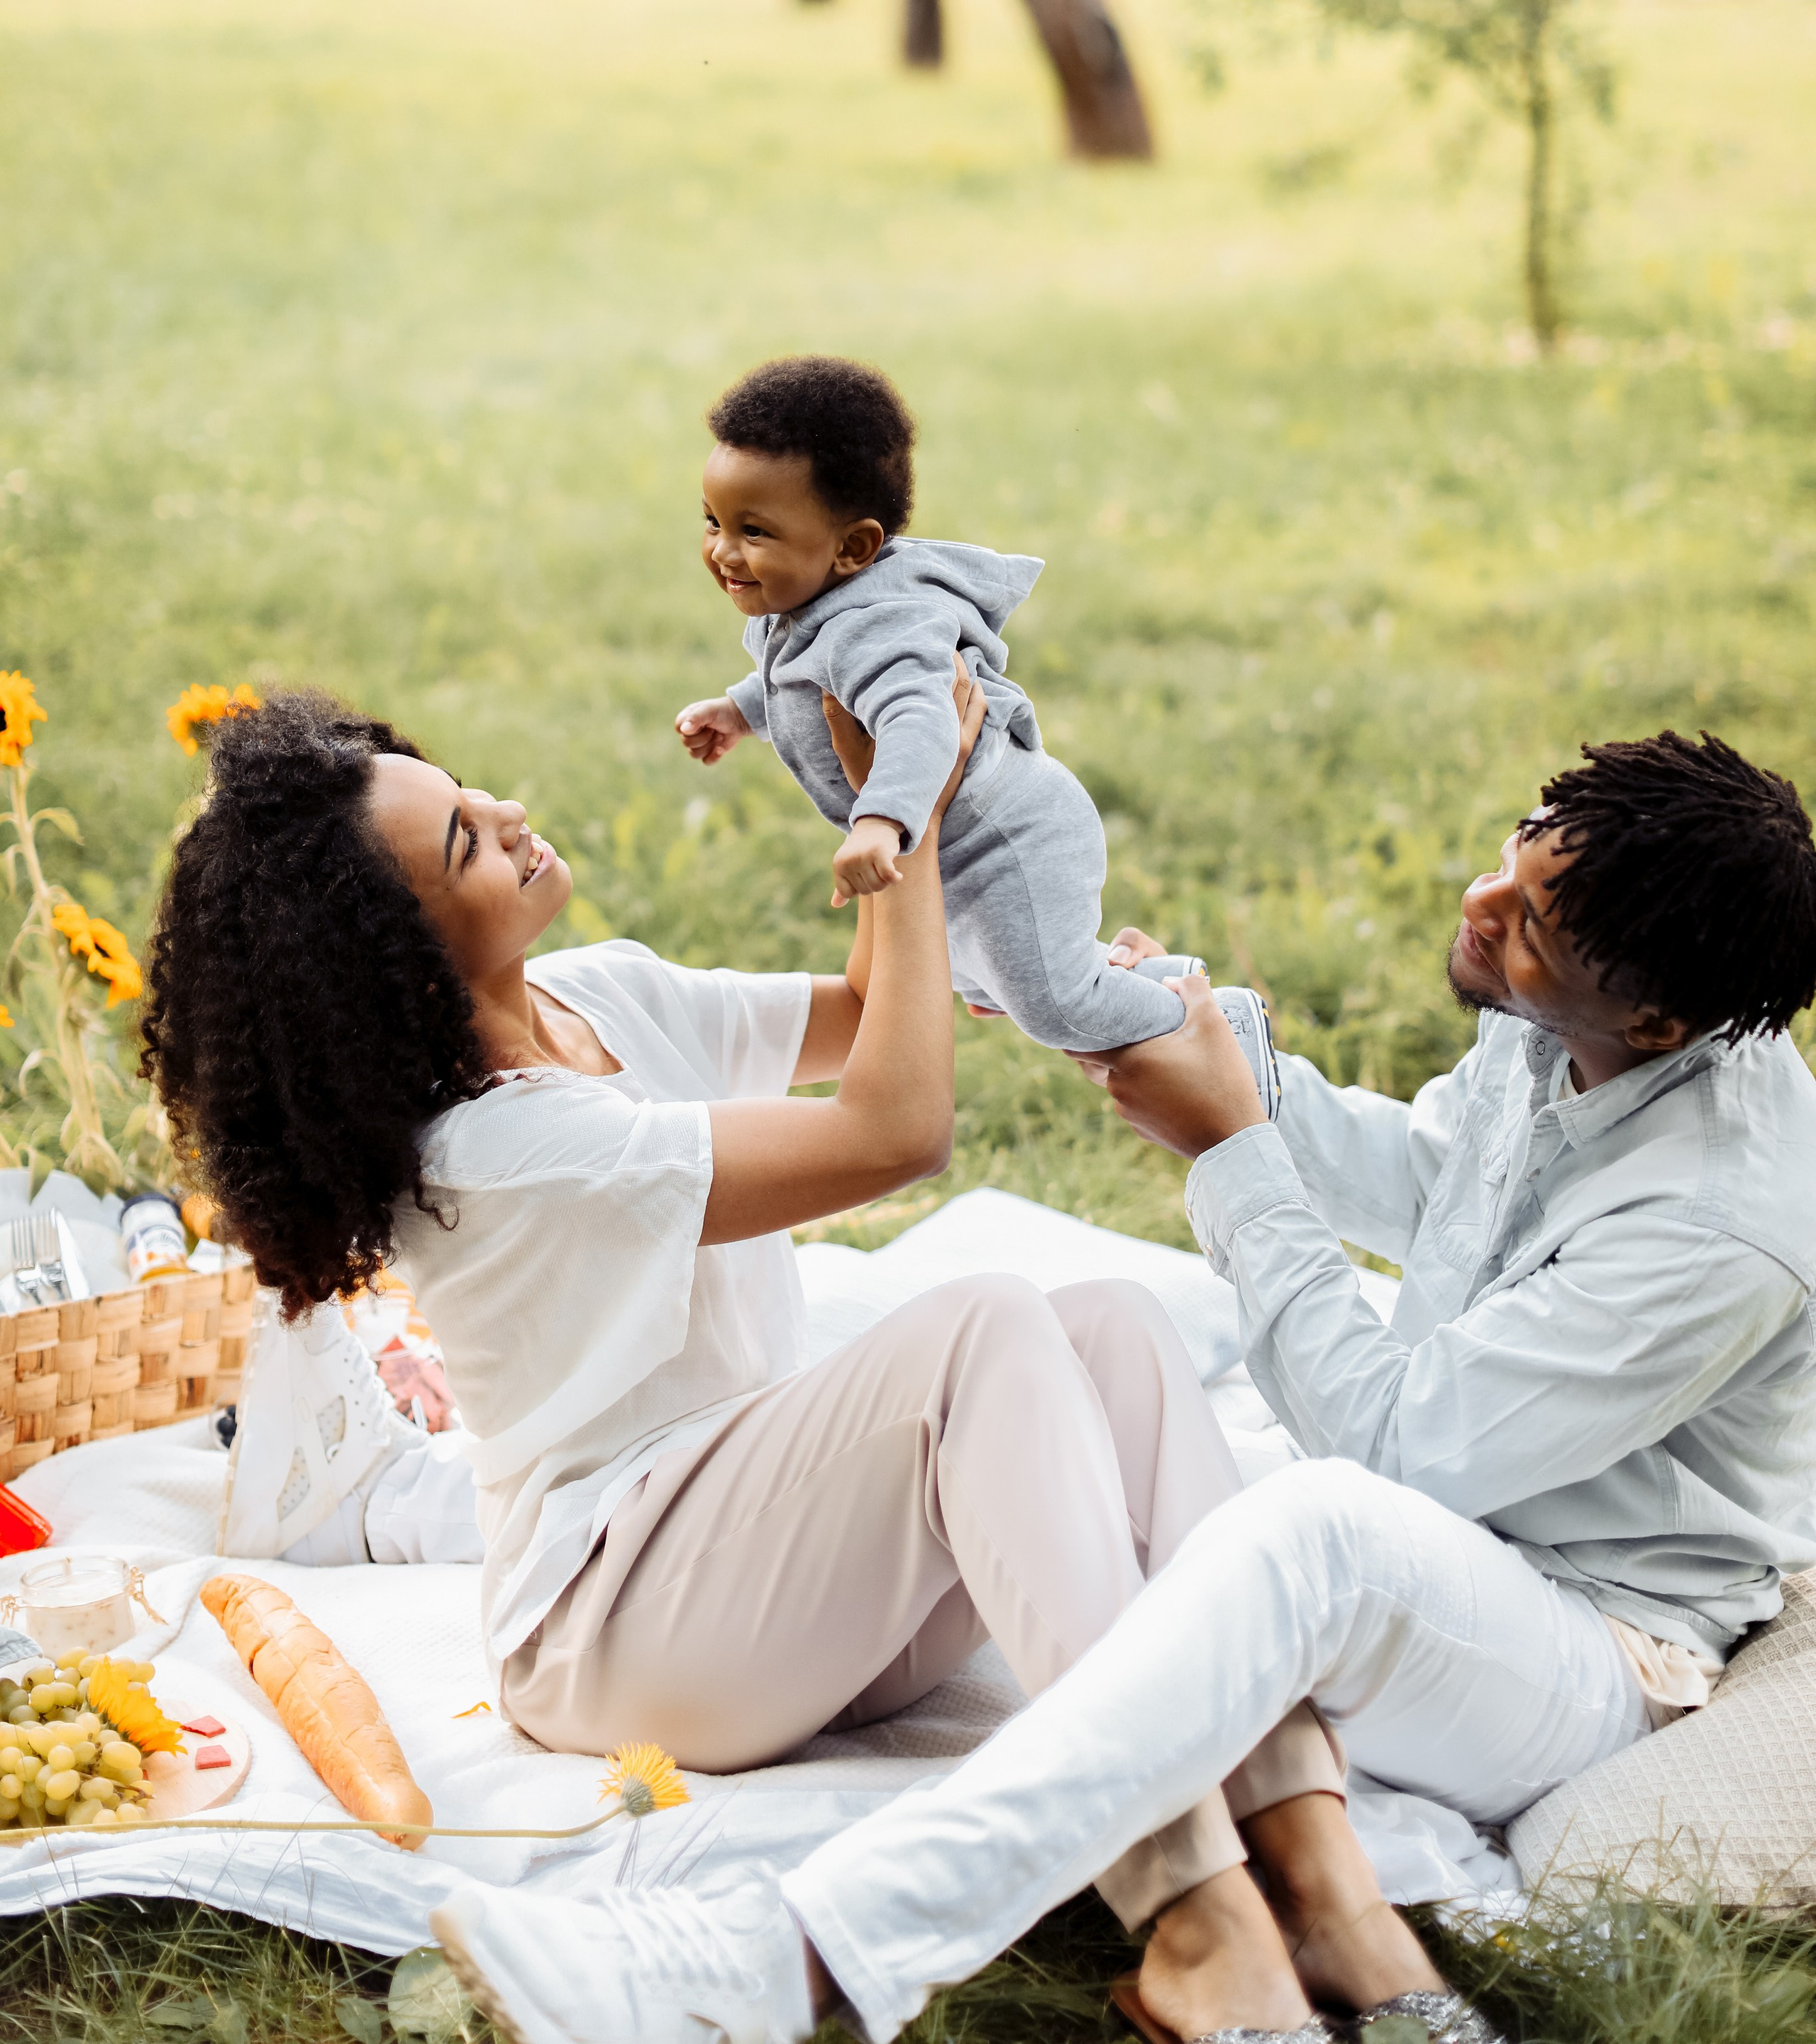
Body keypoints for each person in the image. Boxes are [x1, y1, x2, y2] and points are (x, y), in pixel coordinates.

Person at [426, 728, 1816, 2044]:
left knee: (1304, 1526)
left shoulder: (1716, 1225)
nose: (1480, 897)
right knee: (1109, 1332)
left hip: (1590, 1643)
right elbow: (1437, 1191)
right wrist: (1219, 1058)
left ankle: (783, 1958)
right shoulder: (1573, 1022)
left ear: (1653, 1015)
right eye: (1517, 849)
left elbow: (1398, 1457)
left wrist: (1229, 1151)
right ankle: (1327, 1922)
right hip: (1444, 1557)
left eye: (1530, 918)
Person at [143, 683, 1446, 2031]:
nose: (510, 815)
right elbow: (895, 1128)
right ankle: (1196, 1917)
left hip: (786, 1602)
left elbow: (876, 1002)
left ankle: (1327, 1885)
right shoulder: (492, 1152)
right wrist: (911, 816)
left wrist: (917, 791)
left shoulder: (603, 1001)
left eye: (470, 794)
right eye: (467, 841)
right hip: (616, 1635)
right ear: (397, 961)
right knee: (985, 1325)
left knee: (1113, 1328)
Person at [673, 353, 1275, 1085]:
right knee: (994, 991)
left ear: (853, 547)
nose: (722, 551)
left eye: (754, 532)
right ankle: (1162, 980)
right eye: (713, 521)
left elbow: (920, 723)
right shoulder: (803, 608)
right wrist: (738, 711)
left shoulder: (880, 627)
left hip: (1009, 839)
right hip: (958, 851)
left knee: (1058, 1007)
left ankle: (1214, 1028)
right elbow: (802, 684)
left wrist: (880, 820)